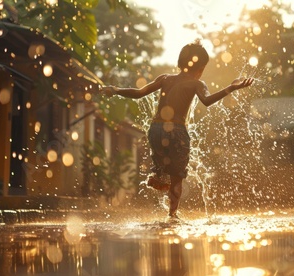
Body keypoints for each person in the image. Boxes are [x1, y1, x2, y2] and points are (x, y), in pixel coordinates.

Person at [101, 41, 253, 220]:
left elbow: (139, 92)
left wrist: (115, 89)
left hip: (156, 130)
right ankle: (172, 214)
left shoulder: (165, 78)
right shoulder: (197, 84)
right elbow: (207, 101)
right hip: (177, 131)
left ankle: (159, 173)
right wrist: (232, 88)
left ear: (180, 61)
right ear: (202, 67)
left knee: (163, 167)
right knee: (177, 176)